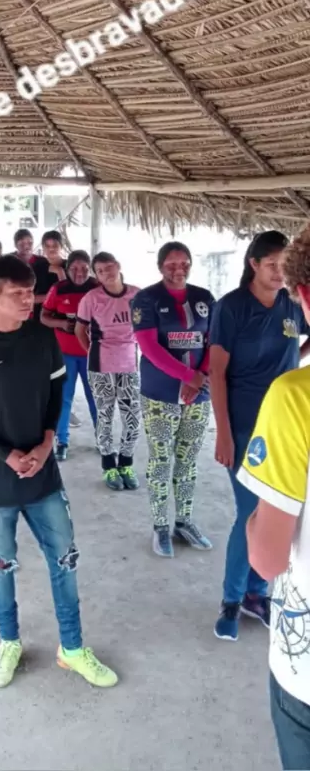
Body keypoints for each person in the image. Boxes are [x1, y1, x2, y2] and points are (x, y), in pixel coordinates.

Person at [0, 254, 118, 690]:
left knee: (64, 560)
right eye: (18, 294)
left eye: (31, 292)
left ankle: (72, 648)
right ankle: (9, 642)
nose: (28, 301)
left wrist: (45, 444)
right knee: (0, 566)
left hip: (43, 475)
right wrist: (6, 455)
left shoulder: (43, 340)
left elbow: (56, 394)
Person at [209, 230, 310, 641]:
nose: (279, 274)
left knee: (277, 510)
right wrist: (223, 434)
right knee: (251, 511)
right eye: (272, 265)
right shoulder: (231, 307)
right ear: (253, 264)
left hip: (283, 425)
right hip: (245, 425)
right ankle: (231, 601)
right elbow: (216, 373)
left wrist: (292, 363)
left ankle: (257, 594)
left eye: (284, 267)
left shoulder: (290, 304)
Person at [238, 223, 310, 771]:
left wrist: (252, 522)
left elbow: (267, 558)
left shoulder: (295, 399)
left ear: (302, 294)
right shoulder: (230, 309)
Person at [131, 241, 215, 557]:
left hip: (199, 395)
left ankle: (184, 521)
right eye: (171, 264)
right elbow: (149, 348)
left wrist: (199, 377)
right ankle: (160, 526)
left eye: (184, 263)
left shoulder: (205, 298)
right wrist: (188, 376)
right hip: (160, 394)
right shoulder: (146, 299)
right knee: (161, 460)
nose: (179, 269)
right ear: (160, 266)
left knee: (188, 460)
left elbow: (215, 342)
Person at [75, 252, 140, 491]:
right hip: (100, 366)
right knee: (105, 415)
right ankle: (109, 466)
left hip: (130, 365)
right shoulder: (91, 298)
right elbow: (79, 330)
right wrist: (92, 351)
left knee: (132, 417)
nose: (106, 273)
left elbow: (147, 328)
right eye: (100, 271)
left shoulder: (137, 295)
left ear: (118, 266)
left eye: (109, 267)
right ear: (97, 275)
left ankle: (126, 464)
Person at [41, 250, 98, 460]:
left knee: (96, 398)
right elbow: (44, 317)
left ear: (90, 269)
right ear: (67, 268)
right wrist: (62, 323)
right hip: (65, 354)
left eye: (84, 268)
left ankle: (103, 438)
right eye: (74, 268)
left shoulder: (97, 288)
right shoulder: (58, 289)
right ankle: (62, 441)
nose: (79, 273)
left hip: (92, 354)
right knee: (64, 398)